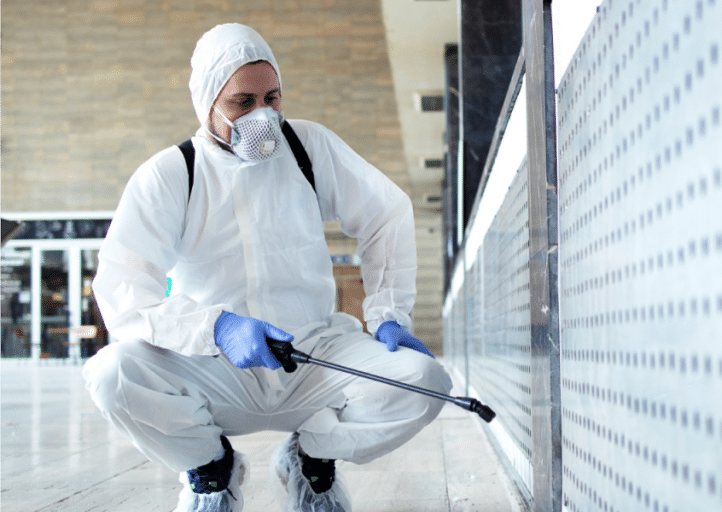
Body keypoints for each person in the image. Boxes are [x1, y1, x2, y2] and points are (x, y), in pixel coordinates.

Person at [82, 23, 452, 512]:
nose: (263, 115)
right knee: (112, 374)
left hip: (312, 356)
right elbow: (122, 287)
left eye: (272, 97)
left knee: (424, 381)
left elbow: (387, 212)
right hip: (215, 368)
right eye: (243, 101)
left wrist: (387, 312)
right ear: (208, 102)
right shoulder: (173, 174)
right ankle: (210, 470)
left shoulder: (308, 148)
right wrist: (215, 328)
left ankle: (310, 458)